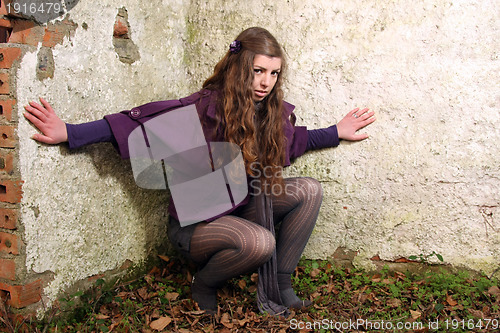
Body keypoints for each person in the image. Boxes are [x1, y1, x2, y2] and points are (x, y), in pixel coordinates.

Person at [24, 27, 375, 316]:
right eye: (258, 71)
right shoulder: (205, 109)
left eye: (274, 73)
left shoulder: (268, 114)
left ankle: (281, 283)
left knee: (309, 190)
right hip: (197, 226)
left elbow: (294, 141)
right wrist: (70, 132)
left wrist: (335, 131)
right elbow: (142, 123)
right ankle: (204, 283)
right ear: (240, 68)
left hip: (239, 208)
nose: (266, 82)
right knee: (260, 242)